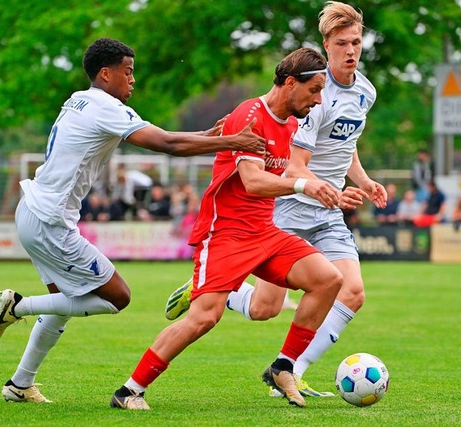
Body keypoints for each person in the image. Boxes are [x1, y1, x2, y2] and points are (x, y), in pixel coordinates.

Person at [0, 38, 265, 404]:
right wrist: (234, 141)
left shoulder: (80, 99)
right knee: (117, 297)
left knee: (61, 304)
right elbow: (166, 145)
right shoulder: (105, 106)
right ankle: (17, 307)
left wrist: (207, 137)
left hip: (34, 211)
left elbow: (168, 139)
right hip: (50, 221)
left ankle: (19, 385)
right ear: (106, 74)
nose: (132, 80)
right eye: (128, 72)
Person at [164, 1, 387, 399]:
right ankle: (219, 290)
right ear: (326, 45)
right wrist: (326, 189)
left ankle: (289, 370)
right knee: (265, 308)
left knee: (352, 292)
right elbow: (295, 166)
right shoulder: (312, 95)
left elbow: (345, 145)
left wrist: (366, 180)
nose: (351, 51)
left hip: (328, 211)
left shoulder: (365, 92)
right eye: (342, 43)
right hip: (290, 207)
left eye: (356, 42)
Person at [111, 47, 341, 411]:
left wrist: (330, 187)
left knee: (327, 279)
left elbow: (290, 170)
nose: (318, 99)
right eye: (314, 90)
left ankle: (283, 367)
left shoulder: (291, 123)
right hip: (226, 234)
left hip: (265, 231)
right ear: (290, 83)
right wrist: (305, 187)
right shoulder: (249, 115)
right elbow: (252, 181)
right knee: (204, 318)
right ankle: (129, 390)